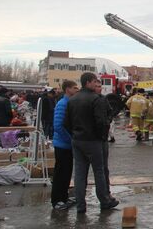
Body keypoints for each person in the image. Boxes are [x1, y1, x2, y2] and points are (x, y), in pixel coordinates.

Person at [64, 72, 119, 214]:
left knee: (80, 173)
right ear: (88, 82)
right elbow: (101, 122)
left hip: (77, 140)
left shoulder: (72, 99)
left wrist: (75, 134)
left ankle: (81, 205)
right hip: (93, 141)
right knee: (99, 171)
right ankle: (105, 200)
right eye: (95, 81)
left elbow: (66, 123)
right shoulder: (96, 99)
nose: (97, 84)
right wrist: (102, 136)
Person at [51, 80, 79, 210]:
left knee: (67, 173)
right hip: (62, 145)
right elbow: (58, 126)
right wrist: (70, 140)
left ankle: (64, 197)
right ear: (68, 89)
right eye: (74, 88)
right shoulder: (63, 104)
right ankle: (57, 200)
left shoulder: (69, 103)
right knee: (60, 173)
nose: (77, 90)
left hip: (66, 145)